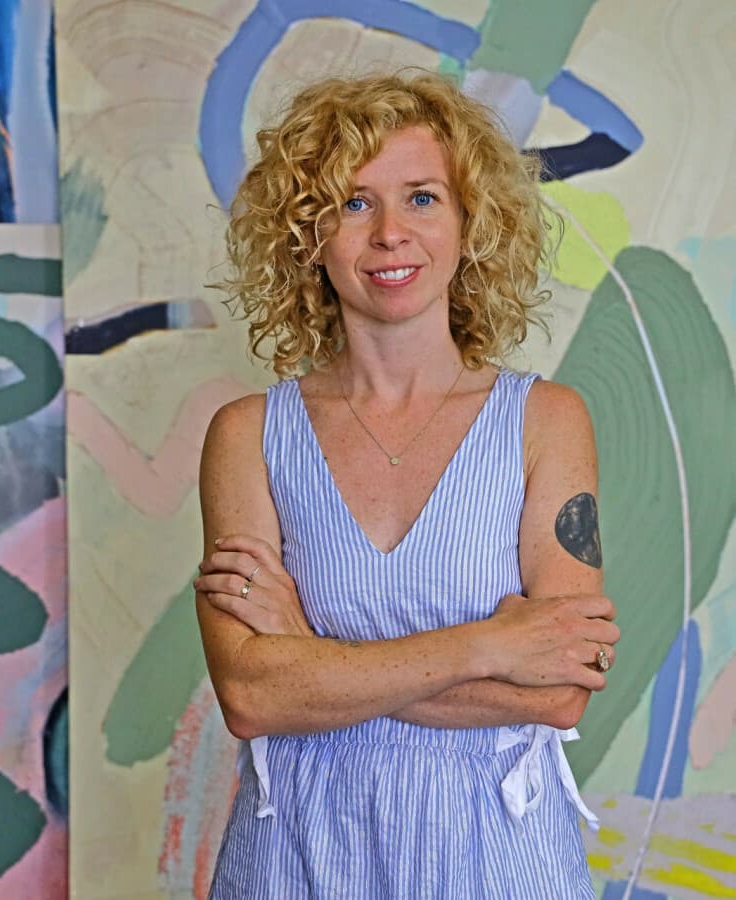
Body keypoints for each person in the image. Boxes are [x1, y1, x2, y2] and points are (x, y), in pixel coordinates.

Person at [193, 71, 619, 899]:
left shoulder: (546, 421)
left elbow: (563, 691)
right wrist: (489, 647)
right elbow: (251, 695)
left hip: (500, 864)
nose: (391, 233)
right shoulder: (247, 436)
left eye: (422, 198)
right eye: (354, 203)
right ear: (308, 236)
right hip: (295, 860)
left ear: (470, 222)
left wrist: (312, 658)